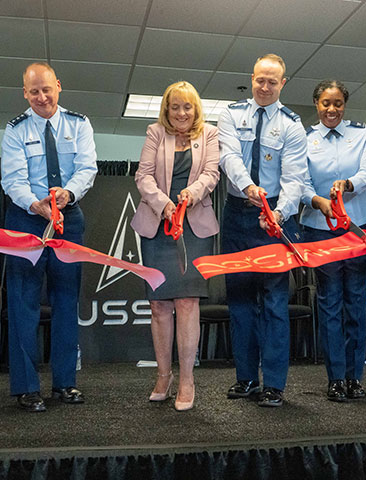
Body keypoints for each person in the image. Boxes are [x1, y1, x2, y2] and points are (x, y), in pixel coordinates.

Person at [1, 62, 98, 412]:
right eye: (34, 92)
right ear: (24, 93)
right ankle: (26, 387)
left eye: (47, 89)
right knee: (23, 303)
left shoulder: (79, 124)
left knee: (65, 302)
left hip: (67, 218)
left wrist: (67, 195)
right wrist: (35, 204)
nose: (42, 97)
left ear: (58, 86)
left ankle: (64, 383)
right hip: (26, 219)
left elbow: (87, 168)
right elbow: (12, 179)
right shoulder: (15, 130)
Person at [217, 54, 308, 407]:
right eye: (260, 80)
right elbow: (229, 158)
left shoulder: (291, 125)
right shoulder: (231, 114)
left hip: (275, 220)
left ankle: (273, 384)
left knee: (273, 303)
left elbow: (295, 177)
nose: (265, 86)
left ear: (282, 83)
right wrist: (250, 188)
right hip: (239, 214)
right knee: (239, 302)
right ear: (251, 78)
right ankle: (245, 379)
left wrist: (280, 212)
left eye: (272, 81)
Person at [131, 81, 220, 412]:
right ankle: (163, 375)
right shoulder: (155, 133)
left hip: (195, 227)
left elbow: (211, 174)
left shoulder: (209, 134)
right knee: (159, 305)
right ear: (166, 110)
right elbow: (143, 177)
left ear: (196, 109)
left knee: (186, 302)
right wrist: (165, 204)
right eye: (175, 107)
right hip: (158, 226)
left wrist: (192, 194)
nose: (182, 112)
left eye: (188, 106)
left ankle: (186, 380)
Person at [300, 80, 366, 402]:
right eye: (325, 103)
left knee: (356, 301)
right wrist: (317, 200)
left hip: (357, 225)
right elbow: (298, 182)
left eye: (338, 103)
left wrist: (347, 185)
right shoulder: (303, 139)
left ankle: (354, 377)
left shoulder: (363, 134)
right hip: (319, 227)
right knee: (329, 303)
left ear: (344, 105)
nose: (332, 109)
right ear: (316, 104)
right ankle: (335, 378)